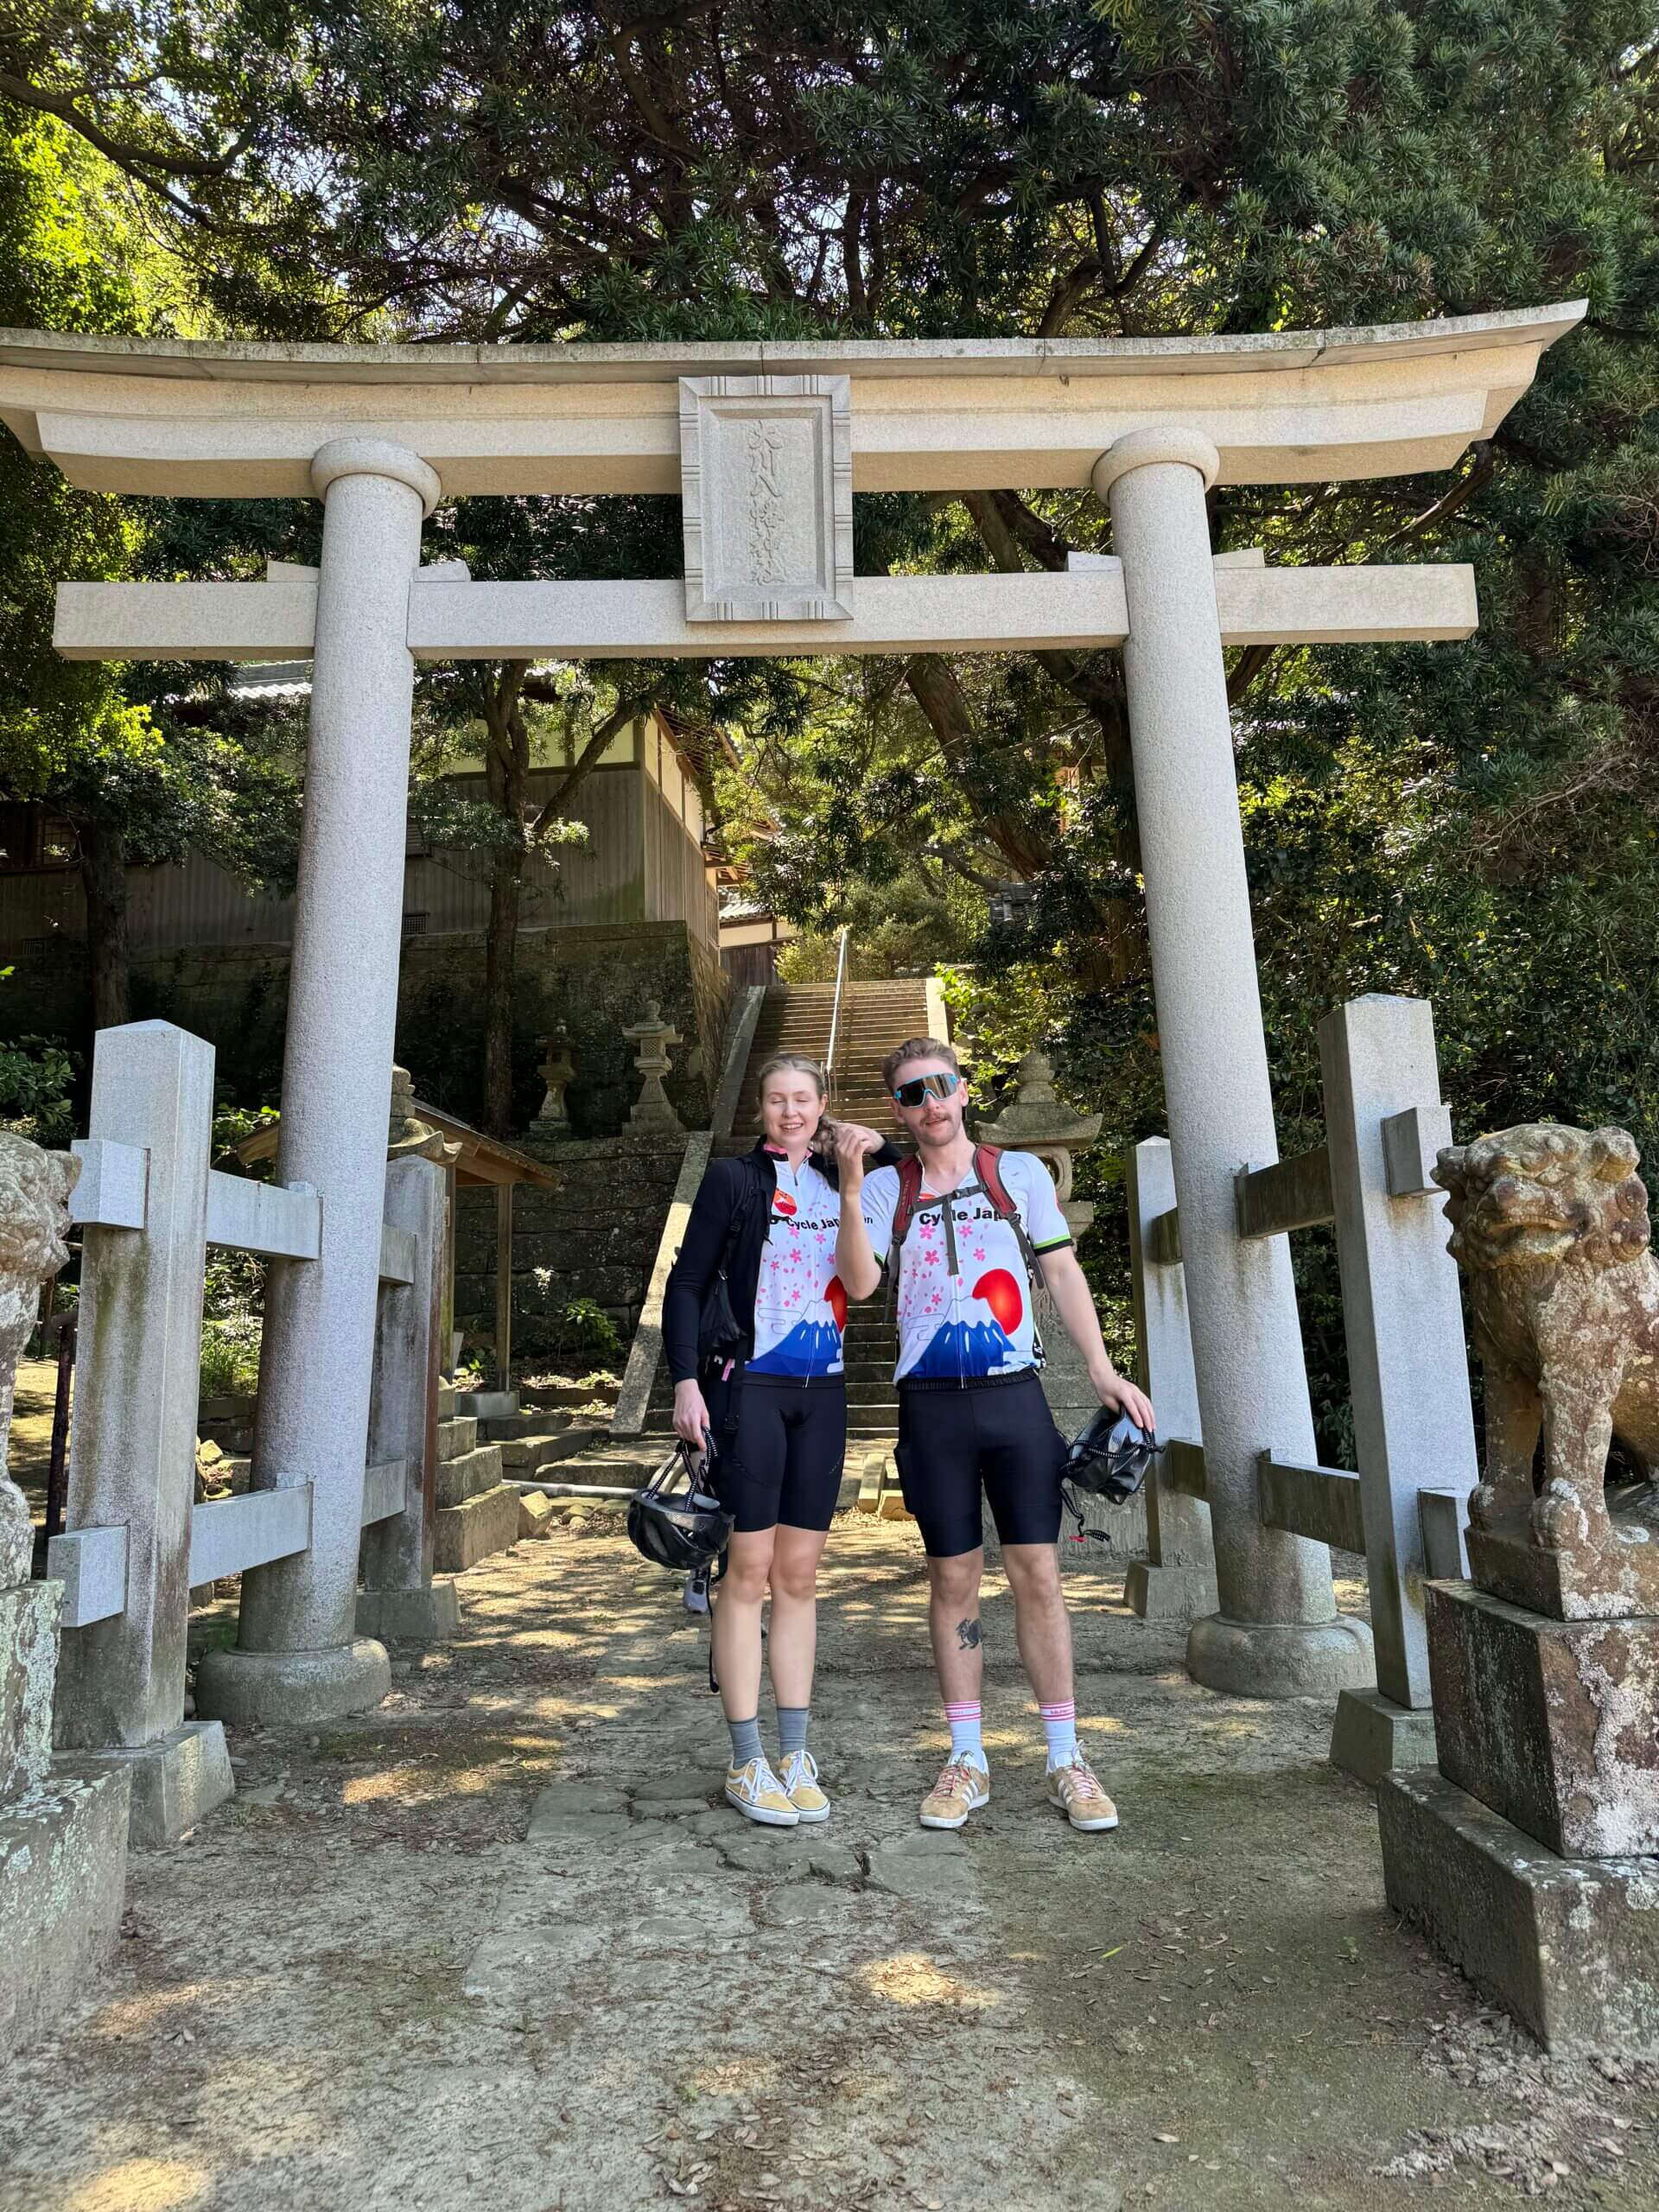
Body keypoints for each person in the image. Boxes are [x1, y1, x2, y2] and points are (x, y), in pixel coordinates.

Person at [835, 1036, 1154, 1834]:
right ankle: (968, 1757)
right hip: (931, 1406)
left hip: (1015, 1396)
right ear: (898, 1109)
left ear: (965, 1088)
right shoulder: (885, 1190)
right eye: (912, 1094)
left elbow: (1063, 1271)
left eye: (941, 1086)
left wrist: (1105, 1370)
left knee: (1038, 1576)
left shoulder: (1018, 1174)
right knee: (953, 1581)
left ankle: (1065, 1757)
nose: (931, 1103)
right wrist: (847, 1184)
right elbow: (863, 1284)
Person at [662, 1053, 896, 1827]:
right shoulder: (734, 1180)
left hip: (822, 1393)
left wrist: (854, 1153)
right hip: (747, 1388)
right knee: (749, 1570)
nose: (789, 1112)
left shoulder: (842, 1181)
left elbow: (865, 1271)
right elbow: (689, 1282)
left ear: (822, 1105)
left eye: (803, 1100)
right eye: (776, 1100)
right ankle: (744, 1758)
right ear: (760, 1108)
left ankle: (794, 1751)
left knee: (800, 1575)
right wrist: (686, 1380)